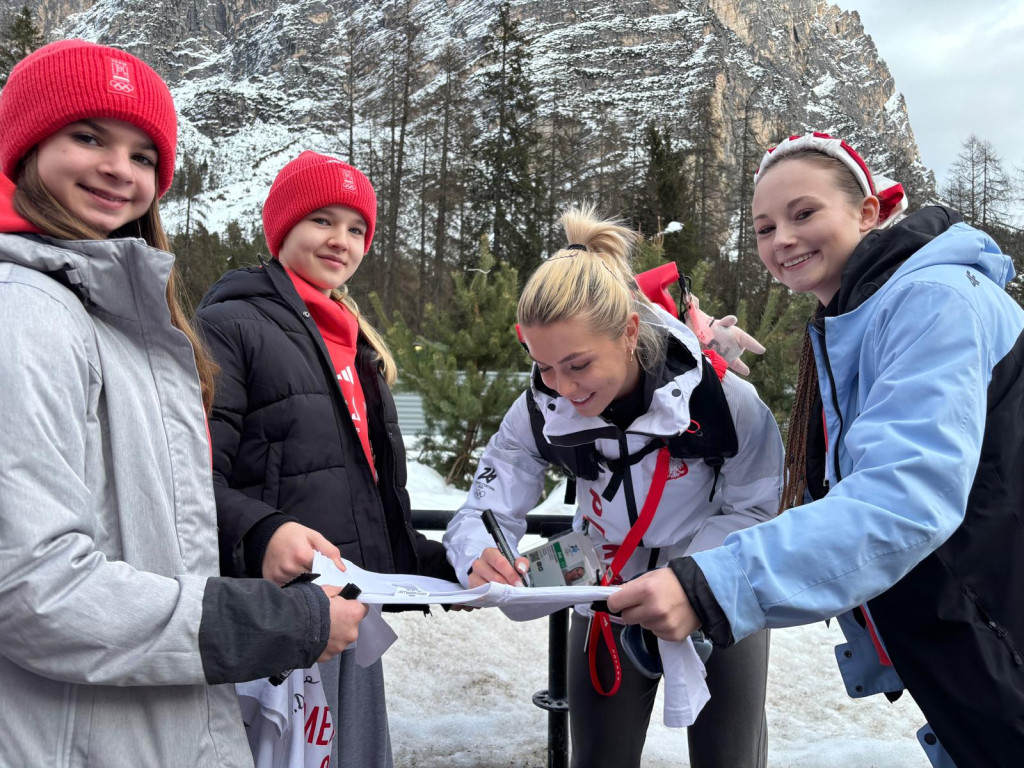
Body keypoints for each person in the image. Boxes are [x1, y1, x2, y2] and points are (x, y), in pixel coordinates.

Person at [0, 40, 366, 768]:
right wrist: (266, 621)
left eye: (143, 156)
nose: (118, 169)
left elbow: (149, 515)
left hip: (145, 717)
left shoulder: (127, 320)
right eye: (87, 137)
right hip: (71, 736)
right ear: (25, 141)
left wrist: (253, 543)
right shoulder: (24, 314)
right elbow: (32, 586)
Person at [608, 132, 1024, 767]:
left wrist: (709, 588)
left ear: (868, 211)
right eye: (764, 227)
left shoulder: (932, 303)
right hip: (969, 634)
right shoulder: (861, 317)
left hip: (999, 631)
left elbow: (901, 498)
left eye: (804, 214)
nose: (782, 240)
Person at [443, 204, 784, 768]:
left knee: (730, 760)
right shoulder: (538, 407)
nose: (562, 388)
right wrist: (478, 555)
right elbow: (485, 506)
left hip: (716, 591)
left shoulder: (724, 403)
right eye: (543, 365)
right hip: (603, 596)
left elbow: (759, 512)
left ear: (629, 332)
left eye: (577, 365)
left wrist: (690, 581)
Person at [194, 150, 457, 768]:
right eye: (322, 220)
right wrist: (263, 533)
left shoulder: (358, 345)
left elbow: (361, 503)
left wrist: (453, 567)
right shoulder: (229, 325)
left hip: (349, 618)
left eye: (357, 227)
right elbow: (190, 484)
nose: (341, 240)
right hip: (274, 624)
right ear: (282, 226)